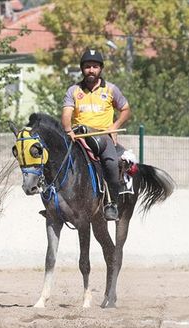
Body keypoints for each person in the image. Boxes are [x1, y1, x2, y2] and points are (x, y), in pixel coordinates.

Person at [62, 48, 131, 221]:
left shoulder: (111, 90)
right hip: (79, 137)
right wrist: (68, 130)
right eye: (87, 66)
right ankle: (54, 202)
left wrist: (115, 126)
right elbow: (66, 114)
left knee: (111, 164)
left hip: (103, 137)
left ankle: (111, 204)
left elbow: (125, 109)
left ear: (100, 69)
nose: (91, 70)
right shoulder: (73, 91)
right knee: (58, 160)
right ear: (82, 69)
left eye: (94, 66)